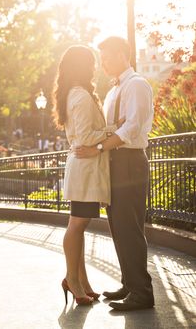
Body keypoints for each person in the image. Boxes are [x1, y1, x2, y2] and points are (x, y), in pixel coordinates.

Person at [75, 36, 154, 311]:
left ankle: (142, 292)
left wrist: (97, 148)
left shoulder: (137, 85)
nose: (103, 62)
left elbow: (131, 129)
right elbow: (112, 127)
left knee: (129, 227)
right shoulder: (112, 91)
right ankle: (130, 284)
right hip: (115, 162)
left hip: (130, 161)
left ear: (122, 54)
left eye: (107, 56)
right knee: (118, 227)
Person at [52, 45, 117, 306]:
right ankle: (72, 280)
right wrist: (115, 129)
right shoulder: (79, 96)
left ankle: (81, 281)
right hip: (84, 169)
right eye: (90, 62)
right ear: (82, 66)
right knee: (77, 226)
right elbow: (84, 137)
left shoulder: (76, 93)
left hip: (85, 169)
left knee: (79, 227)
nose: (94, 66)